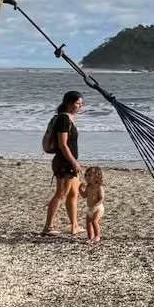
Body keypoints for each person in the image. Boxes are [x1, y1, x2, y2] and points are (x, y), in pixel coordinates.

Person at [42, 90, 85, 237]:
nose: (80, 107)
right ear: (68, 103)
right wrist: (74, 162)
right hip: (64, 162)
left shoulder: (69, 118)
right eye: (78, 103)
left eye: (81, 104)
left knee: (73, 194)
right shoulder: (63, 119)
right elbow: (63, 144)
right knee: (61, 194)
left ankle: (75, 226)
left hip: (69, 162)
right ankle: (48, 227)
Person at [81, 166, 106, 244]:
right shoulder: (88, 186)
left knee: (95, 221)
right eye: (86, 175)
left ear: (96, 177)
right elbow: (84, 195)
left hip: (98, 207)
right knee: (88, 223)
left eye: (89, 175)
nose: (87, 177)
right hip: (90, 207)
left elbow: (101, 198)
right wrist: (80, 189)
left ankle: (97, 236)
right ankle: (90, 237)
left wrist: (96, 206)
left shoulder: (99, 187)